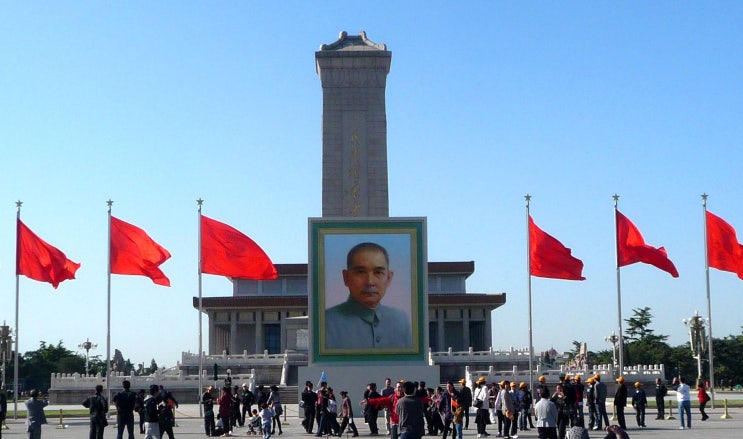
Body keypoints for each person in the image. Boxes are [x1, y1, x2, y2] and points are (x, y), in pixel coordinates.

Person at [325, 242, 412, 349]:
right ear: (346, 277)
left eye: (378, 272)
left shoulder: (400, 320)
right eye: (361, 272)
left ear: (389, 278)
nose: (370, 282)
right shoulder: (327, 322)